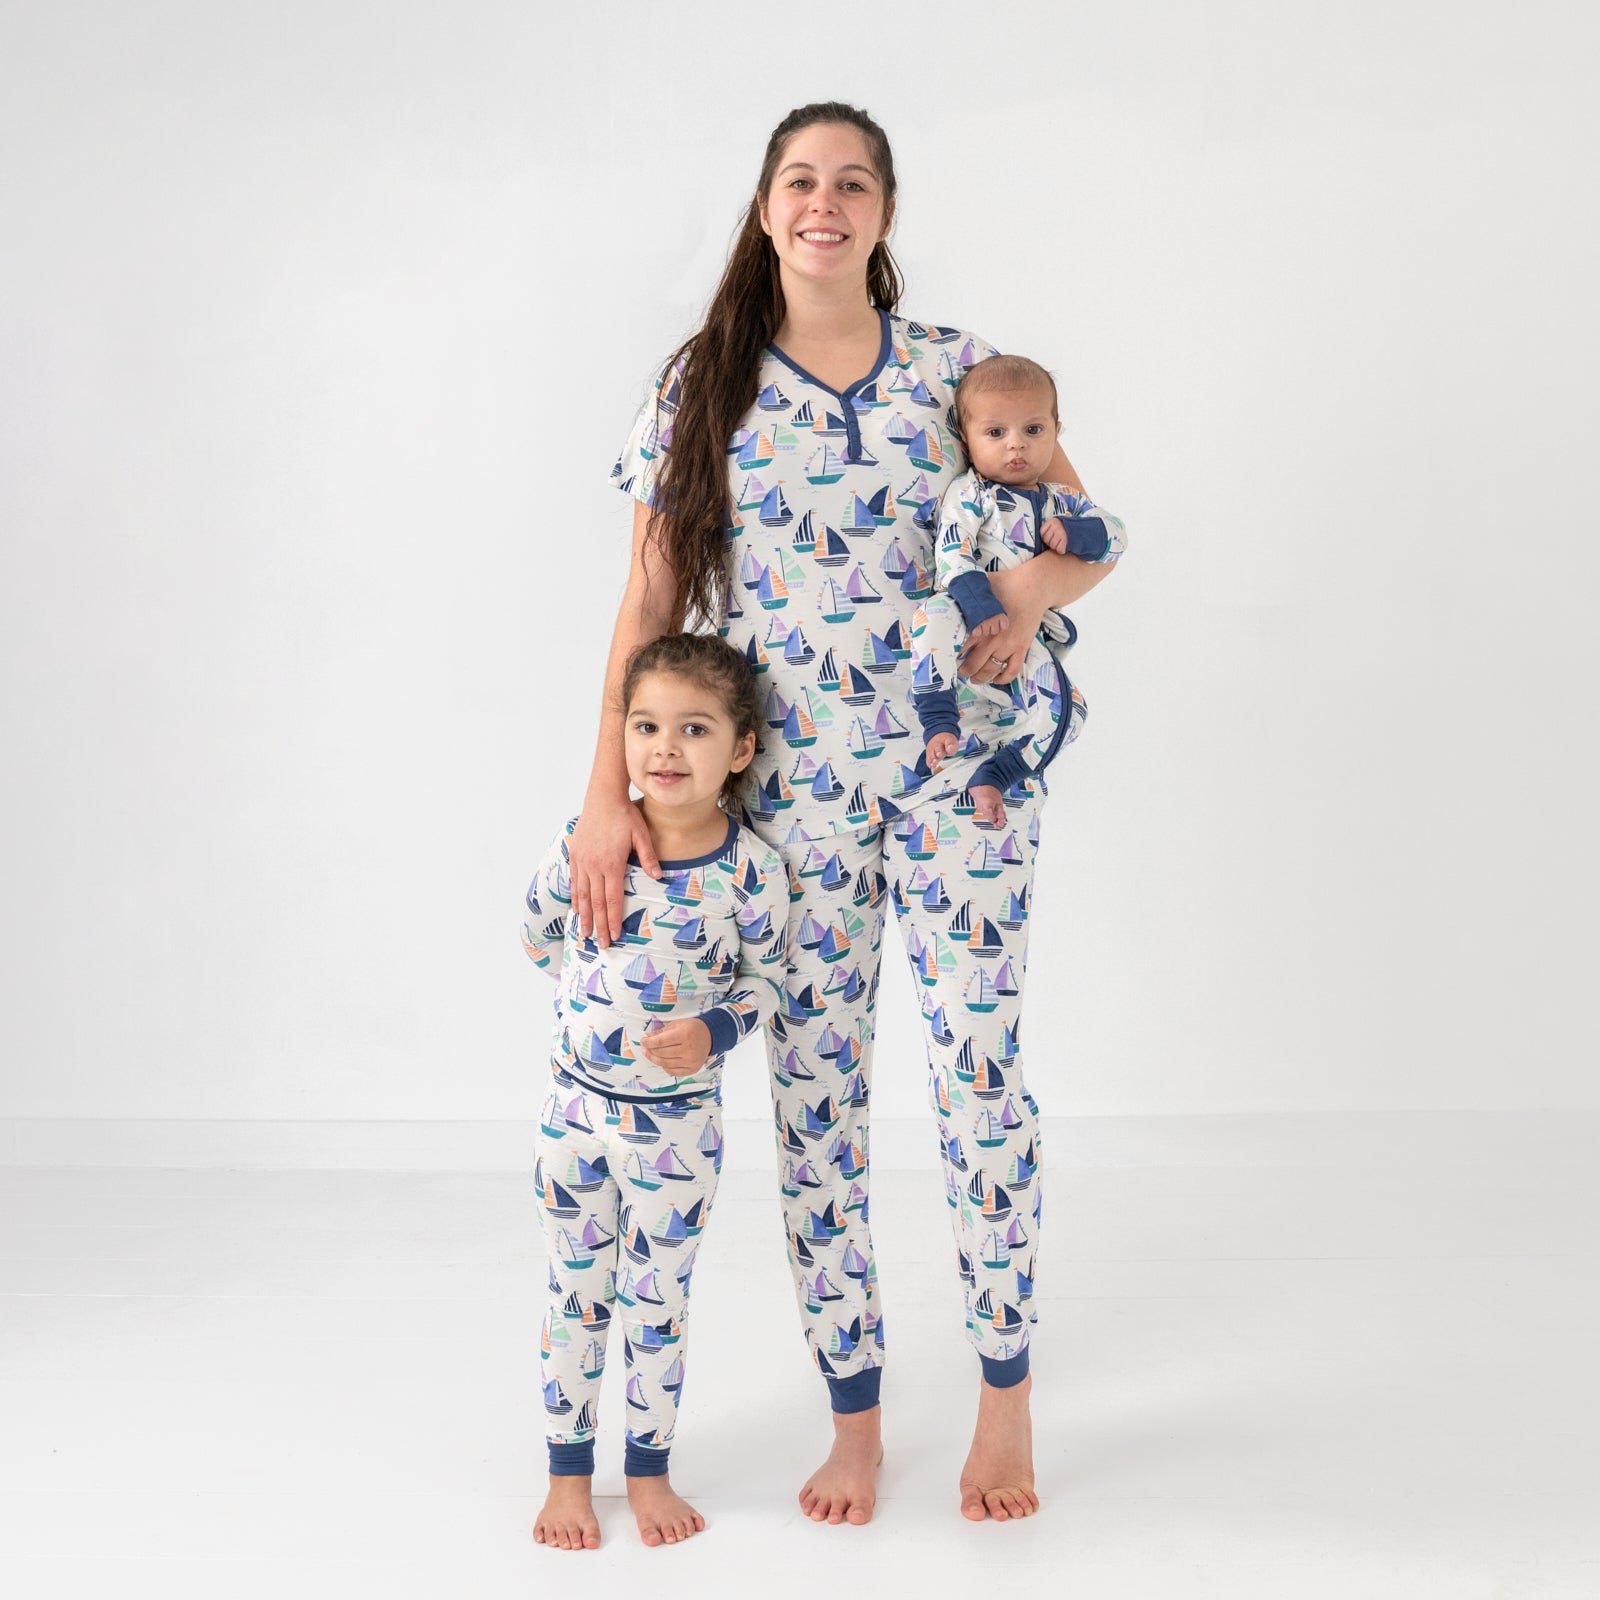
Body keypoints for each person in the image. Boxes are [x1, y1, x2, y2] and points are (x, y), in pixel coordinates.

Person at [577, 101, 1126, 1526]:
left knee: (980, 1078)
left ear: (884, 210)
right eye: (801, 180)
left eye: (853, 182)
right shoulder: (702, 383)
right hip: (791, 809)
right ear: (767, 206)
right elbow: (649, 600)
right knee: (817, 1107)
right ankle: (857, 1418)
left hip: (962, 785)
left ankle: (1004, 1399)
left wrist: (1018, 599)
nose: (825, 202)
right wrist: (602, 797)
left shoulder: (955, 368)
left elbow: (1086, 535)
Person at [523, 633, 788, 1551]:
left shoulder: (752, 872)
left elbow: (765, 982)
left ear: (741, 749)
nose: (665, 748)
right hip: (573, 1114)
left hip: (676, 1133)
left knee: (656, 1303)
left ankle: (648, 1471)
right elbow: (536, 933)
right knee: (574, 1295)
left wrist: (712, 1030)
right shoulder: (589, 841)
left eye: (694, 729)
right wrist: (595, 998)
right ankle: (566, 1478)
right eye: (645, 727)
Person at [911, 353, 1127, 826]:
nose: (1016, 444)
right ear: (966, 439)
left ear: (1056, 431)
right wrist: (979, 604)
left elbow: (1116, 537)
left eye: (1033, 429)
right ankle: (938, 716)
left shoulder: (1062, 500)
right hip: (966, 610)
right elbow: (952, 550)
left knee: (1071, 711)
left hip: (1022, 635)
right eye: (995, 432)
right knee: (931, 617)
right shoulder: (972, 493)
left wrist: (1076, 534)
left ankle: (998, 773)